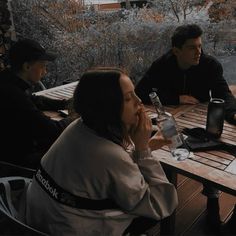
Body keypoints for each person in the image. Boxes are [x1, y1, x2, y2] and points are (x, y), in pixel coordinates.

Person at [26, 68, 178, 236]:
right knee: (150, 211)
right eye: (128, 98)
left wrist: (144, 146)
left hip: (40, 215)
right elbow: (162, 203)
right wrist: (143, 151)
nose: (139, 101)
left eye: (134, 93)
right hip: (67, 227)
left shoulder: (78, 127)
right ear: (107, 106)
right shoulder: (109, 154)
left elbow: (105, 167)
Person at [135, 24, 236, 234]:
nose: (199, 51)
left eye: (200, 46)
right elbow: (140, 91)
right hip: (171, 121)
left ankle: (213, 198)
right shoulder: (162, 64)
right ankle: (162, 195)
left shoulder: (210, 65)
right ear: (176, 50)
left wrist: (234, 113)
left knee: (213, 150)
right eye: (192, 47)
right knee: (167, 153)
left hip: (199, 119)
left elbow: (224, 94)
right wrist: (176, 98)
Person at [0, 39, 73, 169]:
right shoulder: (13, 95)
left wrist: (66, 104)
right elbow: (52, 130)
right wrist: (75, 119)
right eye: (43, 66)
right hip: (17, 163)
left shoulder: (7, 80)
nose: (45, 72)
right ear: (27, 66)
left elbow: (35, 100)